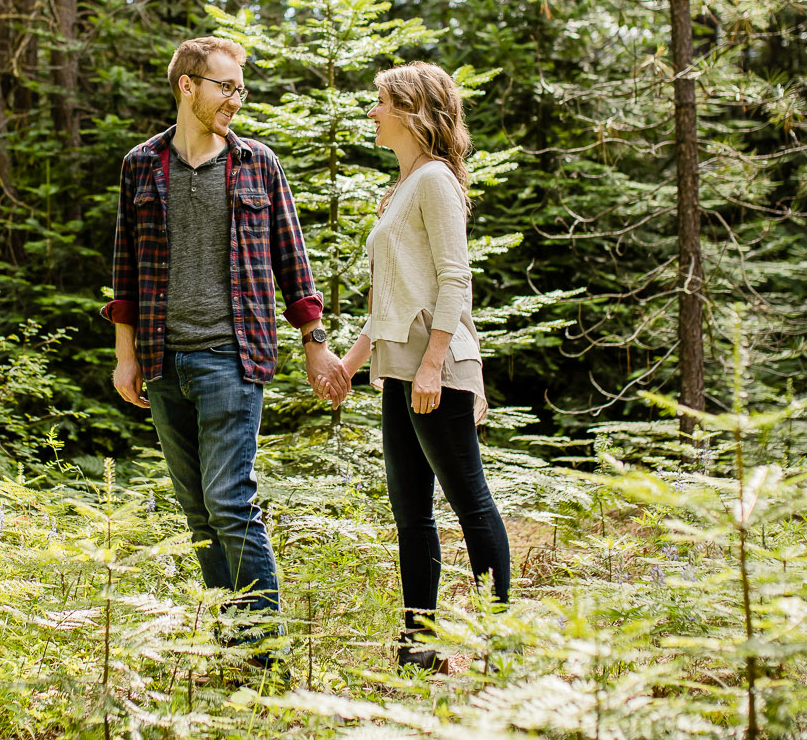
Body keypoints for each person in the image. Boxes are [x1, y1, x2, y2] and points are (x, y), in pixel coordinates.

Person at [104, 37, 349, 655]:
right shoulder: (142, 165)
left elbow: (294, 264)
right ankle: (235, 648)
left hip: (233, 358)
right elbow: (125, 269)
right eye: (226, 86)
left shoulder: (257, 165)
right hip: (162, 360)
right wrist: (124, 354)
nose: (236, 99)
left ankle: (267, 656)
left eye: (240, 88)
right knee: (198, 515)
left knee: (230, 503)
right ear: (188, 85)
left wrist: (315, 342)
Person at [335, 61, 511, 671]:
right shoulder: (404, 184)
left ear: (412, 111)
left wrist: (434, 364)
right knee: (411, 513)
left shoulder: (435, 179)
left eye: (379, 103)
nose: (372, 113)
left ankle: (496, 644)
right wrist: (352, 365)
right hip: (401, 371)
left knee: (470, 503)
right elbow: (391, 301)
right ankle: (418, 647)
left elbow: (454, 279)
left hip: (438, 370)